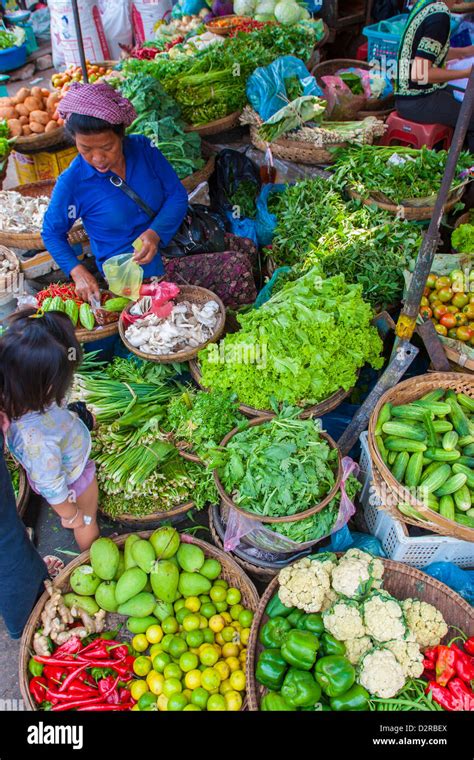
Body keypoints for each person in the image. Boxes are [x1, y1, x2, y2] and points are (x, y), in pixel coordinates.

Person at [42, 82, 189, 304]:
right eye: (86, 150)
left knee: (241, 253)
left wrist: (154, 233)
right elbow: (52, 233)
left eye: (107, 147)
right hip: (131, 273)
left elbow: (177, 195)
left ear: (121, 135)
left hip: (175, 244)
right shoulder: (72, 182)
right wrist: (77, 270)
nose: (98, 159)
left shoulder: (142, 148)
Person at [0, 309, 100, 552]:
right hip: (74, 478)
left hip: (62, 456)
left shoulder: (17, 396)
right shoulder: (38, 440)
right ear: (44, 385)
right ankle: (92, 551)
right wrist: (70, 512)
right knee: (87, 519)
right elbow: (52, 486)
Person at [395, 0, 474, 150]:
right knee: (471, 116)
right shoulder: (439, 17)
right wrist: (465, 73)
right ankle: (468, 170)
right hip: (417, 101)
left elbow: (427, 54)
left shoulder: (424, 3)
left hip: (409, 95)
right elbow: (420, 73)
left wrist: (465, 52)